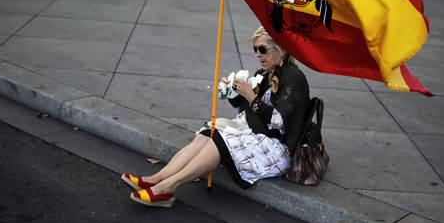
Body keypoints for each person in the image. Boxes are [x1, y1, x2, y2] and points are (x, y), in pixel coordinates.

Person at [121, 27, 311, 207]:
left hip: (276, 147)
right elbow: (245, 108)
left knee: (219, 139)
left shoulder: (293, 78)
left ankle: (167, 188)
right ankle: (157, 179)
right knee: (207, 133)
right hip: (257, 131)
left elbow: (279, 121)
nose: (258, 55)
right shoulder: (264, 73)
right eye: (255, 49)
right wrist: (232, 91)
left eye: (263, 49)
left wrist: (250, 95)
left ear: (282, 49)